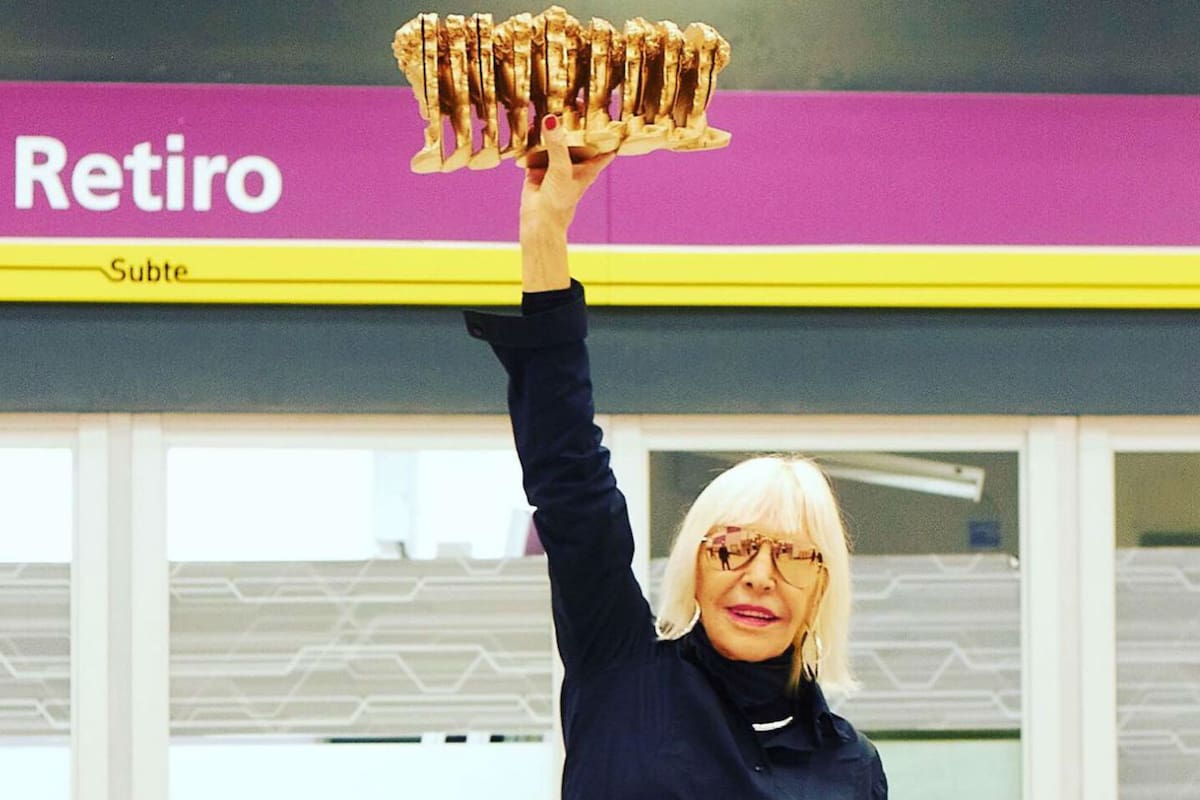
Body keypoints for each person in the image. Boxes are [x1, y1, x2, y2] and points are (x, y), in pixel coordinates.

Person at [465, 114, 887, 800]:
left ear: (822, 588)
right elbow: (572, 485)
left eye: (791, 556)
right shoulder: (622, 671)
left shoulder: (851, 768)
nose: (758, 578)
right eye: (734, 550)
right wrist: (545, 235)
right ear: (697, 562)